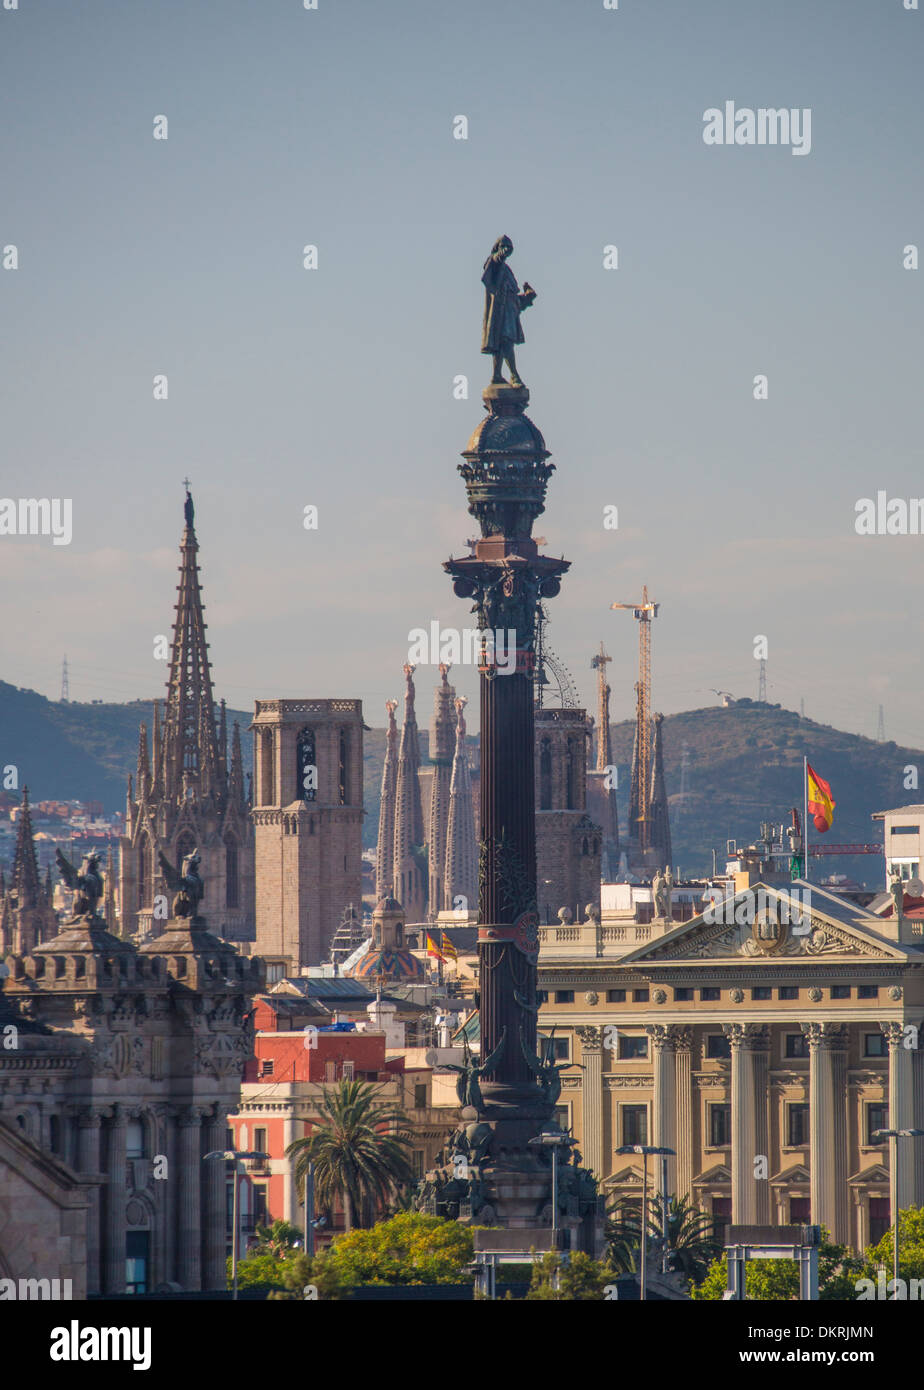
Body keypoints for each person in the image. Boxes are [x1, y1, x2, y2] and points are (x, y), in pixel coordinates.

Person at [481, 235, 536, 385]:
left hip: (509, 312)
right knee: (505, 342)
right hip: (500, 311)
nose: (507, 252)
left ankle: (497, 376)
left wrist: (527, 297)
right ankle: (514, 375)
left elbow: (514, 300)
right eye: (505, 248)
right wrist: (501, 253)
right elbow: (495, 261)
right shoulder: (495, 263)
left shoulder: (507, 271)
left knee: (500, 344)